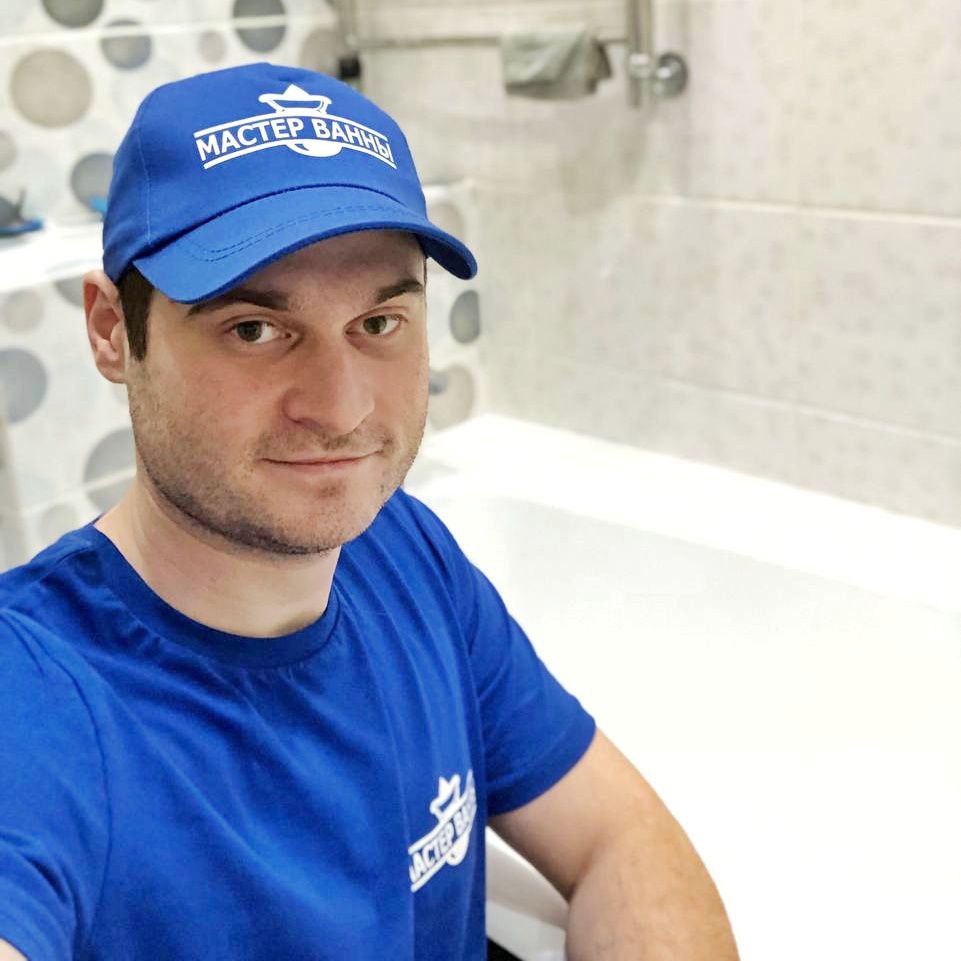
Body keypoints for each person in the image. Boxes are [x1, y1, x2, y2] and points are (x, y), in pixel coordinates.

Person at [0, 63, 739, 961]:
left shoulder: (403, 553)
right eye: (254, 329)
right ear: (113, 330)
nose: (341, 406)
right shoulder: (36, 698)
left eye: (378, 323)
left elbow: (616, 836)